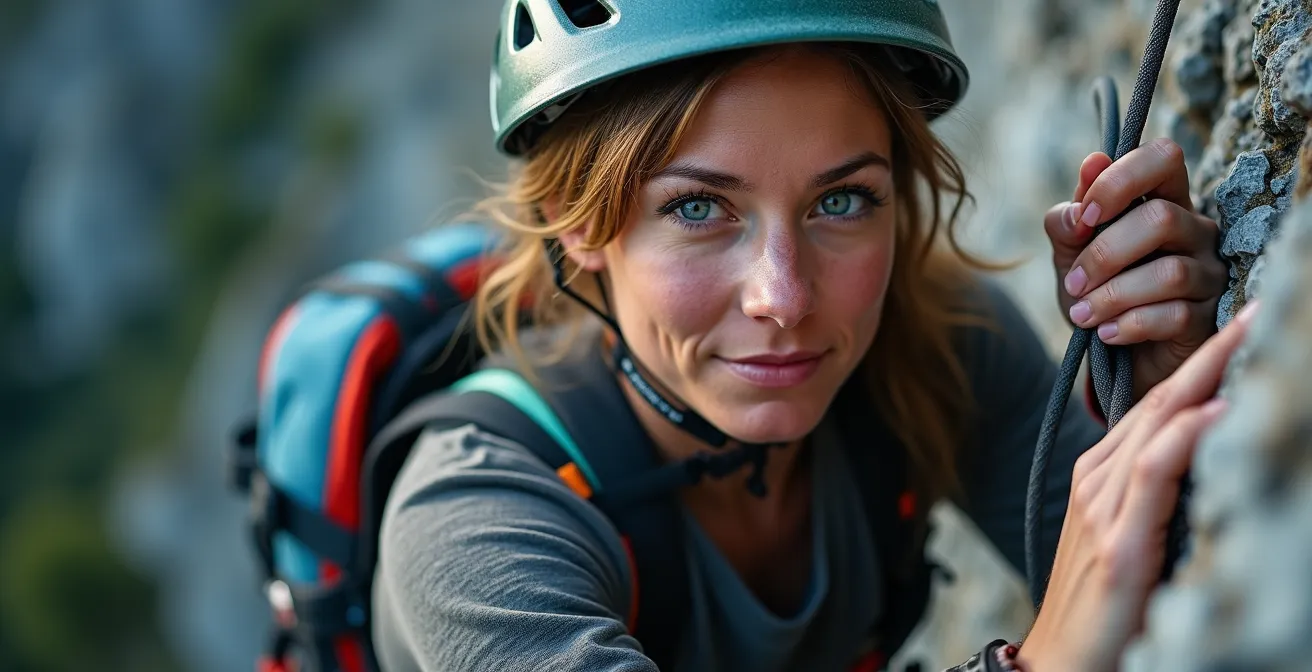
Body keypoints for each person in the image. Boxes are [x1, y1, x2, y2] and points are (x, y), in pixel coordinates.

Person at [370, 2, 1232, 670]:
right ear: (575, 224)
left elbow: (1169, 611)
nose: (783, 297)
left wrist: (1156, 388)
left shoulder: (934, 345)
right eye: (698, 208)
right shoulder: (473, 536)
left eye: (841, 200)